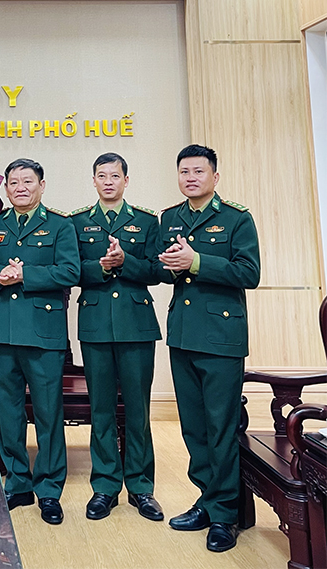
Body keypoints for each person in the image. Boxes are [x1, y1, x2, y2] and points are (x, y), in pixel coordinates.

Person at [158, 144, 260, 552]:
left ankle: (225, 515)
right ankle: (207, 498)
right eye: (184, 172)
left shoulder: (237, 218)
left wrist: (197, 262)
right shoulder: (172, 217)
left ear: (215, 177)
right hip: (183, 334)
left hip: (221, 338)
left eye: (198, 171)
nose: (190, 178)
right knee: (195, 428)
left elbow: (248, 273)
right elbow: (167, 270)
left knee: (221, 428)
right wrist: (168, 264)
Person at [0, 158, 80, 525]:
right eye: (13, 182)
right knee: (8, 412)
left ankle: (49, 489)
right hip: (3, 332)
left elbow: (71, 271)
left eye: (27, 181)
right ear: (5, 188)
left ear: (42, 185)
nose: (20, 187)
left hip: (43, 334)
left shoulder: (60, 225)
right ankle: (18, 481)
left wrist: (26, 274)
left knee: (49, 414)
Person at [69, 153, 164, 522]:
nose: (108, 181)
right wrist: (100, 267)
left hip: (136, 324)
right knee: (102, 409)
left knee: (138, 409)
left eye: (115, 175)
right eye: (101, 176)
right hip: (95, 325)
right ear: (93, 181)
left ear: (127, 180)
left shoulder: (144, 220)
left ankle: (141, 487)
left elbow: (157, 269)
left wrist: (126, 262)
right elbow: (72, 269)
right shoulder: (78, 221)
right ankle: (105, 486)